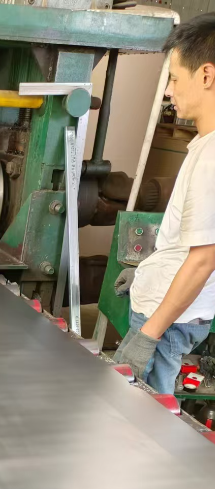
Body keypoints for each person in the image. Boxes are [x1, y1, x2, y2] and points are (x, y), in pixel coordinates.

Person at [114, 14, 215, 393]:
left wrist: (148, 336)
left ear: (206, 75)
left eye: (174, 78)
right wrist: (146, 272)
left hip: (165, 322)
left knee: (139, 412)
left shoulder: (211, 156)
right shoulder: (203, 145)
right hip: (167, 313)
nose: (169, 91)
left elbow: (204, 259)